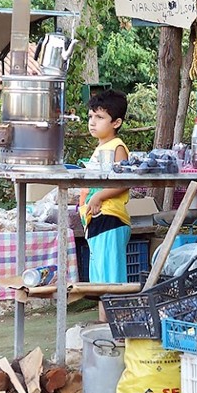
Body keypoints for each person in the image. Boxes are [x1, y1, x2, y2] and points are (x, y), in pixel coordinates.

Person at [78, 89, 131, 284]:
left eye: (100, 117)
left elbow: (124, 182)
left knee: (111, 283)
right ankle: (102, 317)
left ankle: (113, 315)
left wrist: (98, 196)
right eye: (91, 116)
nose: (93, 121)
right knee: (100, 283)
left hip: (110, 219)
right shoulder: (100, 148)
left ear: (116, 122)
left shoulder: (117, 146)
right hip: (95, 219)